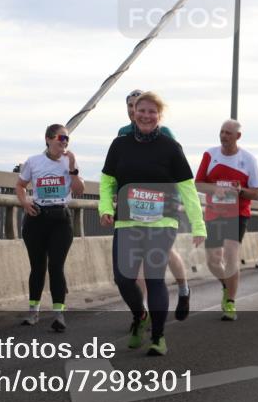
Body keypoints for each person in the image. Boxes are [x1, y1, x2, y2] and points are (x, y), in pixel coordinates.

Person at [98, 92, 206, 356]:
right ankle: (140, 316)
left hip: (162, 221)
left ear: (160, 116)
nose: (146, 116)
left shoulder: (170, 147)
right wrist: (104, 207)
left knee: (155, 278)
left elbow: (187, 189)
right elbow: (107, 181)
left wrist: (198, 224)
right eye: (141, 110)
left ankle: (158, 336)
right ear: (133, 112)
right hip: (127, 221)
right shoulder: (119, 144)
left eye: (152, 112)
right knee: (123, 279)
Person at [118, 89, 192, 320]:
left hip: (162, 205)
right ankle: (145, 314)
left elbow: (177, 167)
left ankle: (183, 289)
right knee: (136, 263)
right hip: (134, 206)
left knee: (166, 253)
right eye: (130, 106)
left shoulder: (165, 132)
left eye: (136, 106)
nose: (133, 110)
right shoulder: (123, 133)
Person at [15, 124, 85, 331]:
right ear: (48, 139)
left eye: (67, 139)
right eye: (61, 138)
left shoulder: (69, 162)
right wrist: (25, 202)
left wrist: (72, 167)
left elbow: (80, 190)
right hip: (37, 217)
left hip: (60, 220)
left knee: (56, 266)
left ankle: (58, 315)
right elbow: (20, 185)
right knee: (37, 266)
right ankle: (33, 312)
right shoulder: (33, 161)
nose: (64, 142)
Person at [194, 120, 258, 321]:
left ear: (237, 137)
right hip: (215, 213)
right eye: (221, 132)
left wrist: (240, 191)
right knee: (213, 261)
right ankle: (226, 284)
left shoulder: (248, 159)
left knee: (231, 255)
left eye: (228, 133)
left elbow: (257, 193)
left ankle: (230, 302)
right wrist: (217, 190)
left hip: (238, 213)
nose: (223, 136)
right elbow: (198, 184)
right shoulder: (210, 154)